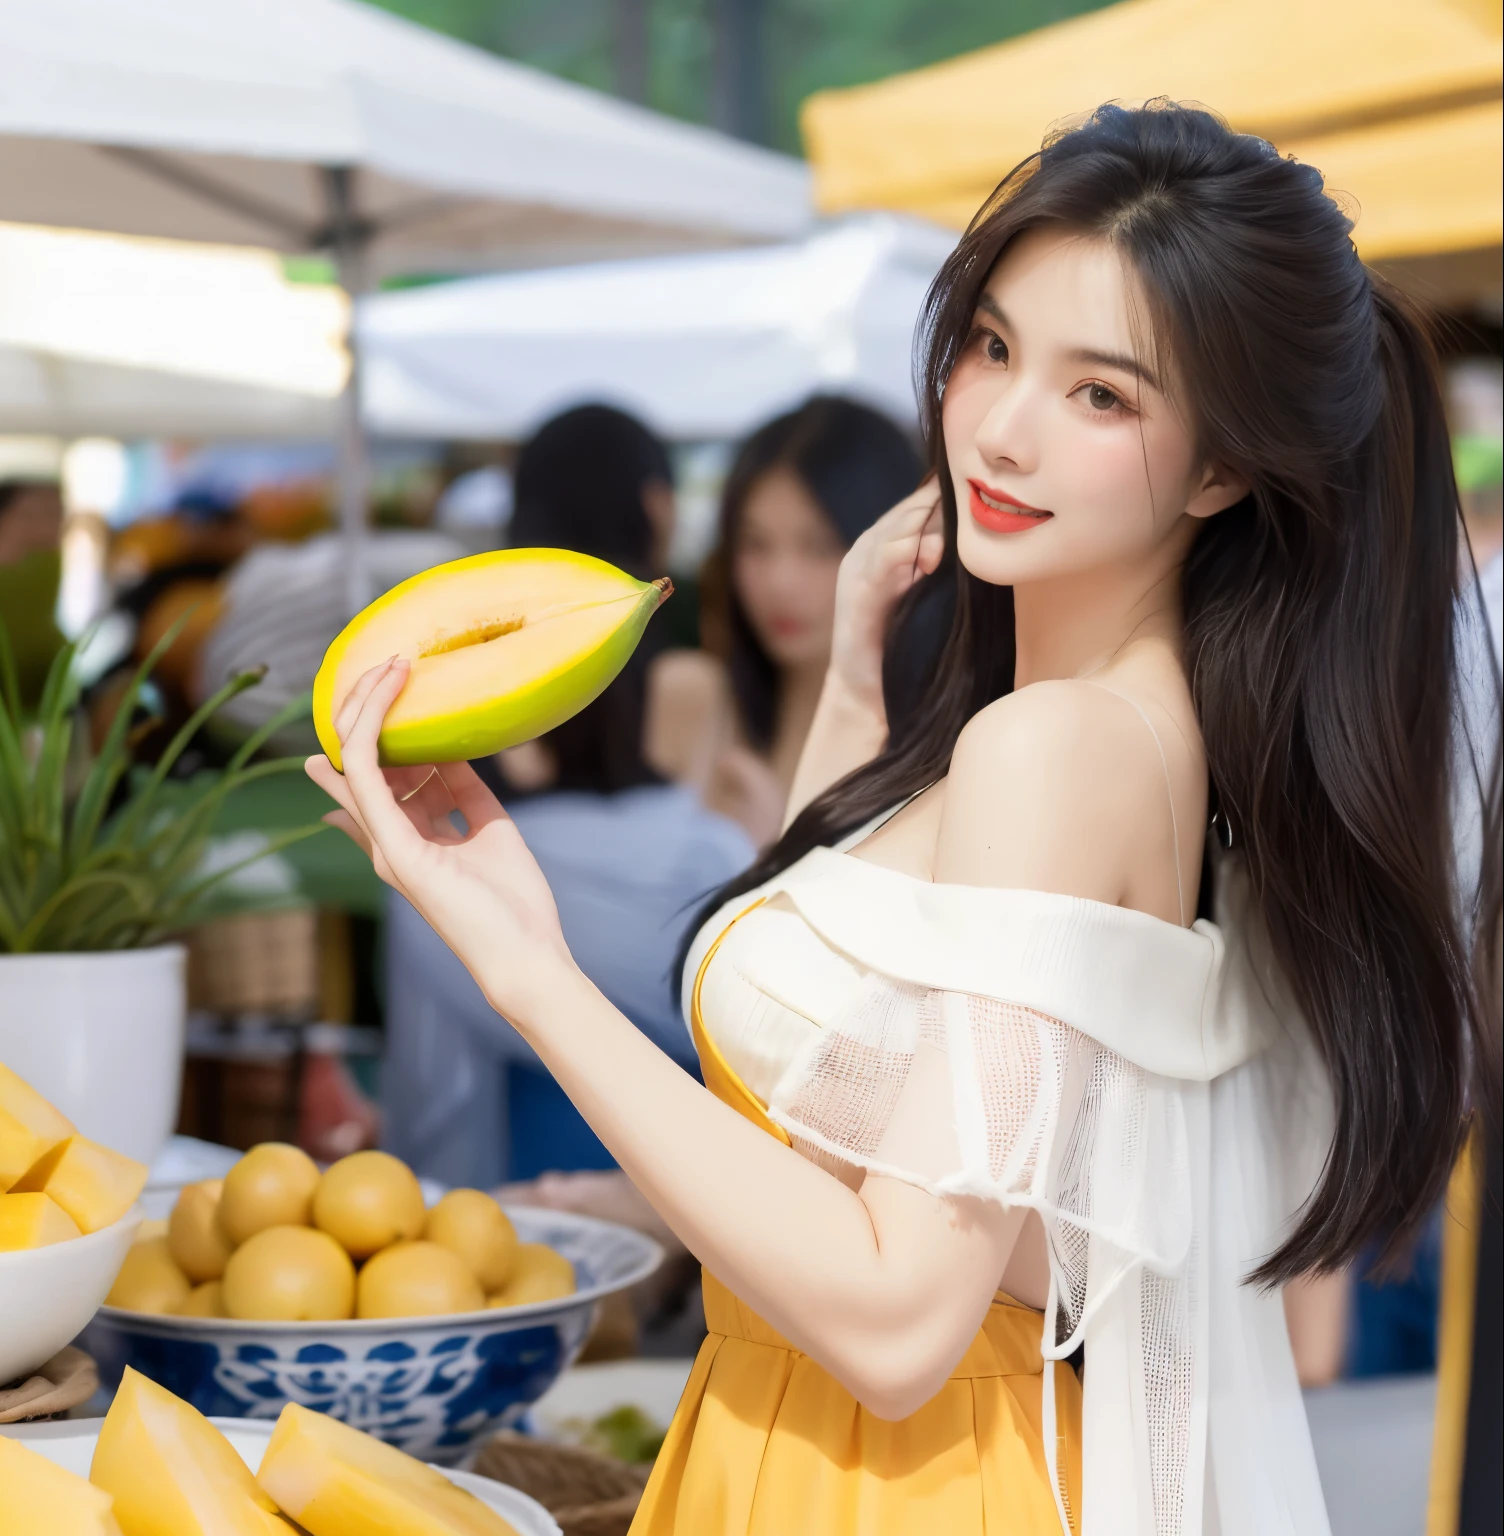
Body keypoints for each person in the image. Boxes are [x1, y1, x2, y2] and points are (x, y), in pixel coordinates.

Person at [308, 102, 1500, 1536]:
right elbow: (866, 1096)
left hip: (896, 1479)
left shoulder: (1056, 750)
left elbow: (893, 1314)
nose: (998, 426)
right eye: (993, 345)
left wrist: (531, 977)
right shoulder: (1123, 734)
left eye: (1100, 394)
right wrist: (856, 720)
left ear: (1220, 469)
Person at [380, 405, 753, 1190]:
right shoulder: (692, 684)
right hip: (671, 1129)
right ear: (655, 505)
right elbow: (700, 875)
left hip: (514, 1108)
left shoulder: (475, 677)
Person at [657, 396, 927, 847]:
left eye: (820, 546)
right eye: (755, 544)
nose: (780, 582)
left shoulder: (948, 742)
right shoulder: (693, 701)